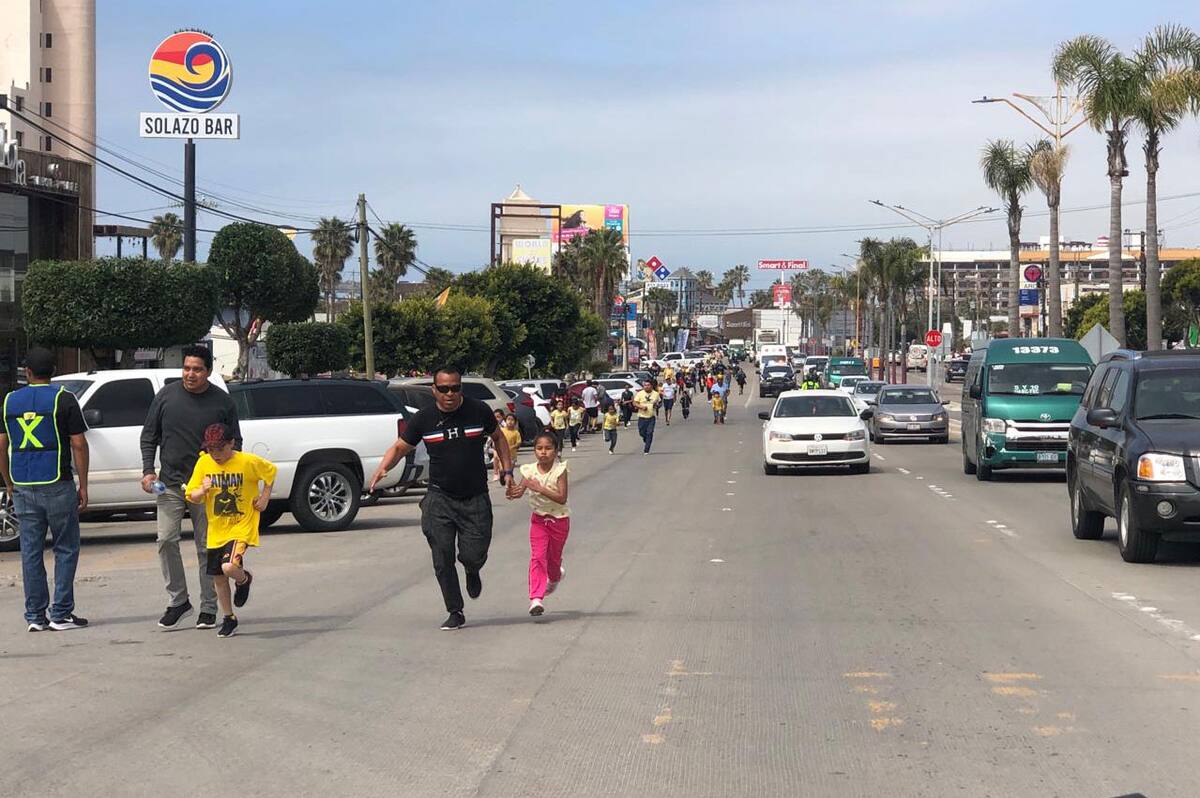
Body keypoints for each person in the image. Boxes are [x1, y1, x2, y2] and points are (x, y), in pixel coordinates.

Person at [369, 366, 512, 630]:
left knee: (473, 554)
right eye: (444, 389)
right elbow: (400, 447)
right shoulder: (424, 418)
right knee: (442, 556)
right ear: (434, 390)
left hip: (475, 497)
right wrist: (383, 468)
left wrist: (507, 470)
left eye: (455, 388)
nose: (450, 394)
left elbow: (499, 438)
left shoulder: (478, 410)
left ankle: (472, 569)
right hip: (439, 497)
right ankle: (455, 610)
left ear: (460, 388)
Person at [141, 344, 241, 631]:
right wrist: (148, 471)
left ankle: (209, 607)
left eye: (197, 369)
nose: (190, 374)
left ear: (208, 371)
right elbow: (149, 436)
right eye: (186, 368)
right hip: (170, 484)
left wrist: (227, 479)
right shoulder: (166, 396)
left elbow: (235, 443)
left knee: (206, 547)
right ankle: (178, 601)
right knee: (165, 540)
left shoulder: (222, 402)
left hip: (209, 488)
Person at [0, 347, 89, 632]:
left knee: (30, 551)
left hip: (23, 484)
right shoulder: (64, 398)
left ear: (26, 373)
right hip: (57, 482)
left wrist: (8, 482)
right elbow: (78, 443)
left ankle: (35, 616)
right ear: (53, 372)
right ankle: (60, 613)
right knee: (66, 547)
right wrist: (83, 485)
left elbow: (1, 445)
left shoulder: (9, 401)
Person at [184, 424, 276, 639]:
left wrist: (264, 497)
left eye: (221, 449)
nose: (216, 454)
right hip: (216, 529)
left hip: (241, 525)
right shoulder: (204, 462)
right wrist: (202, 490)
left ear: (232, 443)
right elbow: (191, 496)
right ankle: (229, 617)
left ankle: (244, 580)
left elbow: (271, 472)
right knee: (218, 576)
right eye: (211, 450)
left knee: (229, 566)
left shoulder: (247, 461)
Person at [507, 431, 570, 617]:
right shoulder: (529, 471)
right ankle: (536, 598)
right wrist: (511, 491)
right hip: (539, 520)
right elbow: (518, 492)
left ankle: (555, 576)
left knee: (553, 559)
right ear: (534, 450)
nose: (543, 452)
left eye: (548, 448)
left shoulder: (560, 470)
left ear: (556, 451)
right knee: (537, 557)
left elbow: (562, 497)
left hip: (559, 519)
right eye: (539, 448)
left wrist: (540, 489)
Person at [632, 379, 661, 455]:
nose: (646, 387)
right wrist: (641, 407)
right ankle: (646, 439)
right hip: (642, 417)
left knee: (650, 432)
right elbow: (635, 403)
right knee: (642, 432)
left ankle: (646, 449)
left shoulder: (656, 394)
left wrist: (657, 405)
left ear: (651, 386)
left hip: (651, 417)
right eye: (645, 385)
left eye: (648, 385)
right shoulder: (640, 394)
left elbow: (659, 402)